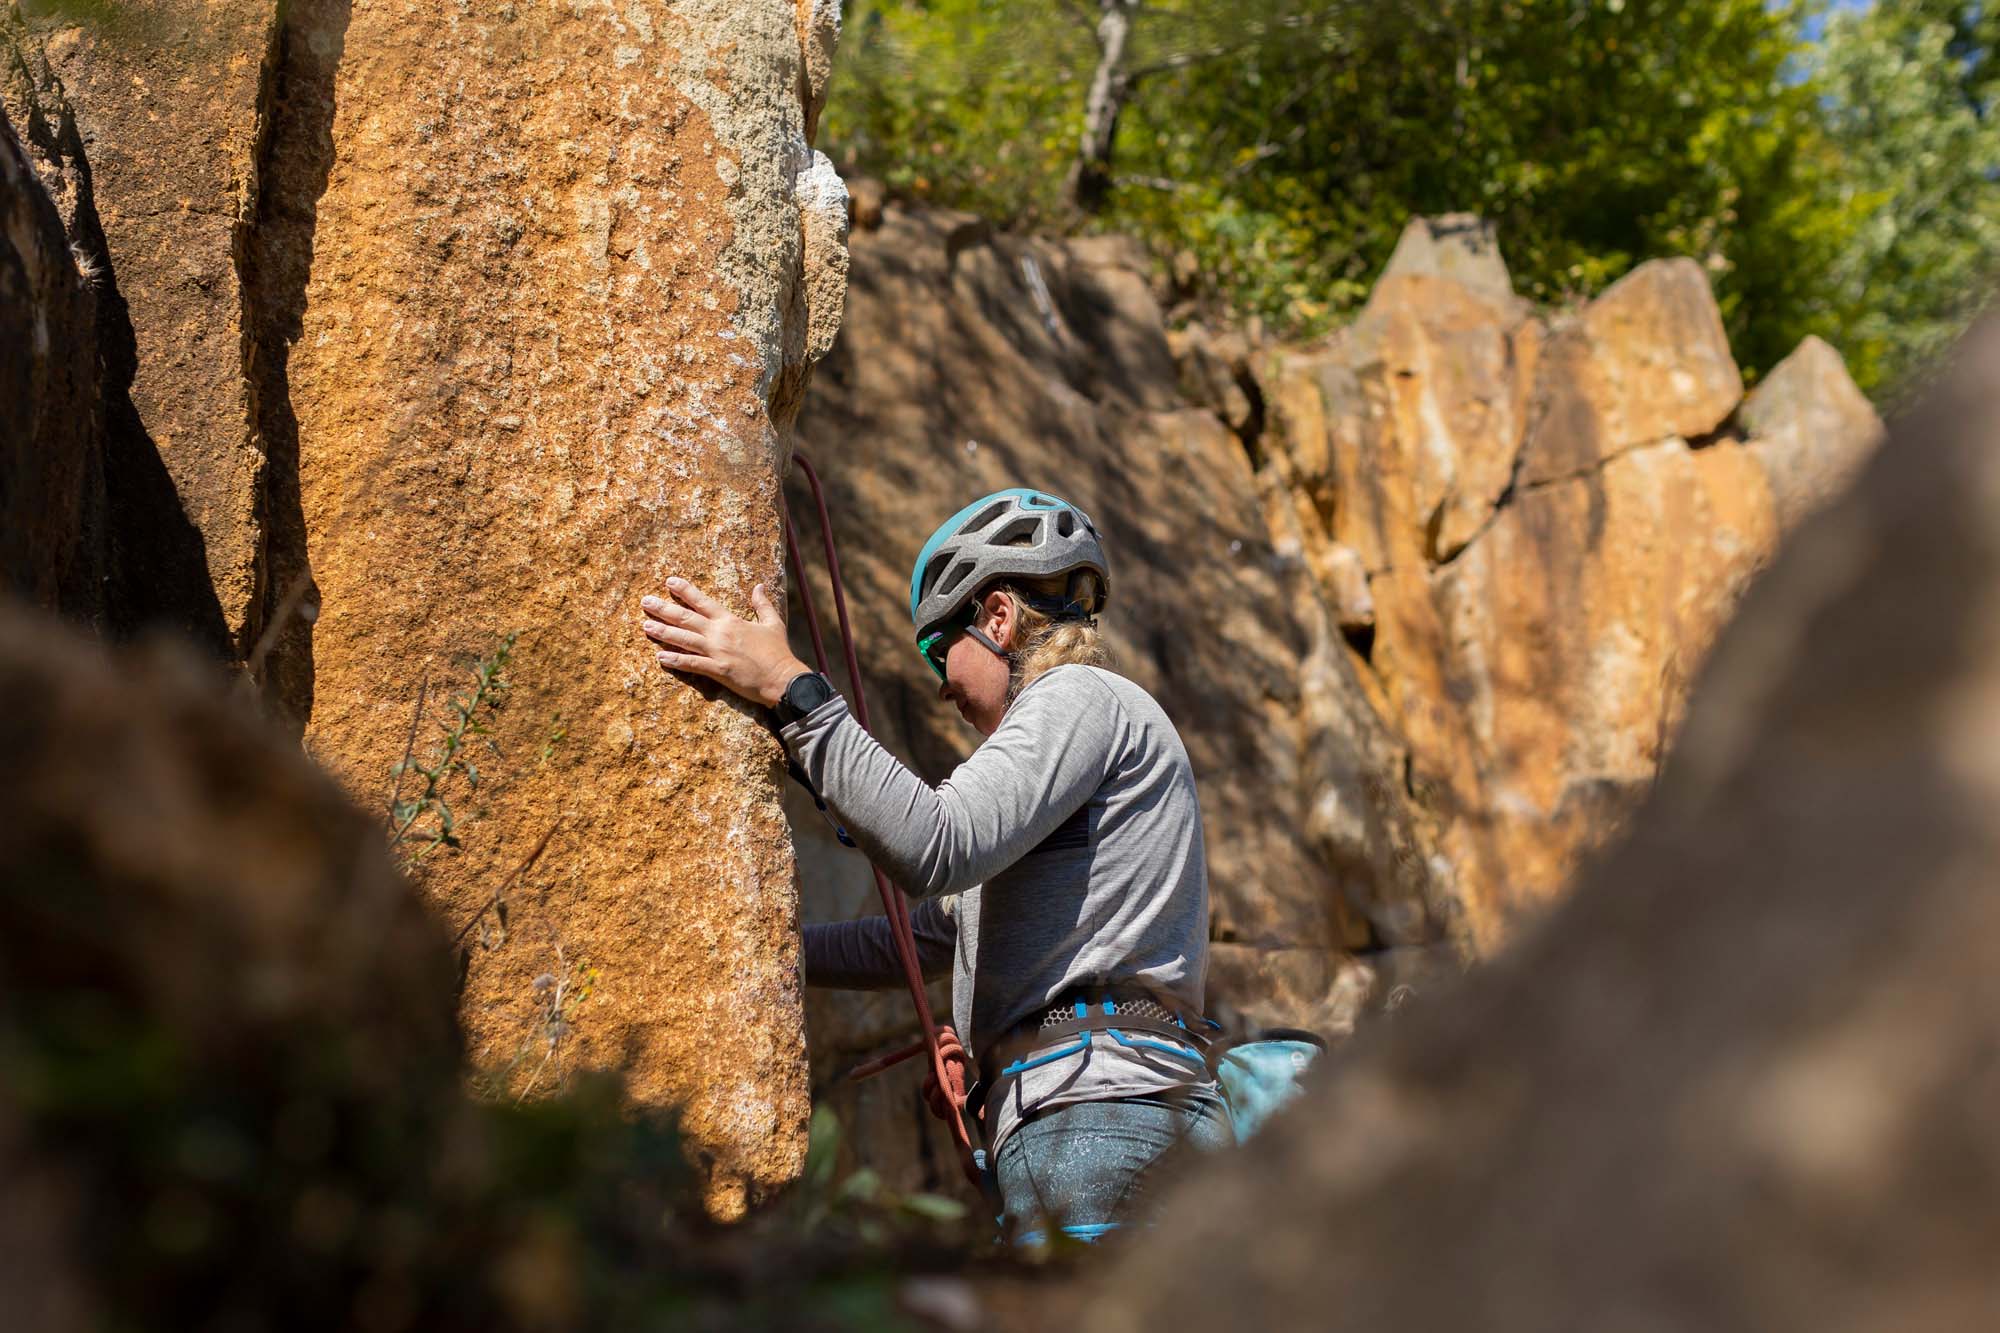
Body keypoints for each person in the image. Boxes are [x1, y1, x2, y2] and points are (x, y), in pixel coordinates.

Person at [639, 487, 1231, 1243]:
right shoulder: (1070, 756)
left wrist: (790, 688)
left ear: (998, 616)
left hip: (1103, 1116)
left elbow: (935, 841)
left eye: (936, 649)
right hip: (1100, 1110)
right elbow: (922, 940)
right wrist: (765, 952)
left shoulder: (1078, 697)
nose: (940, 681)